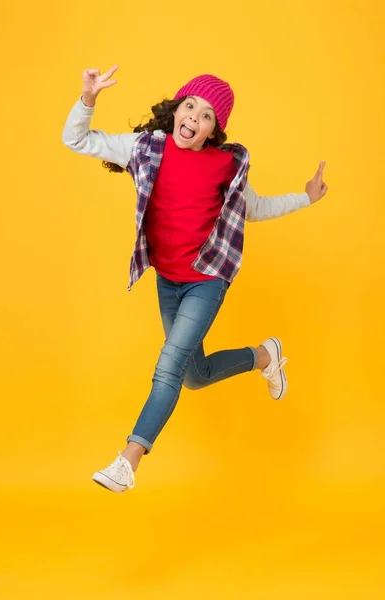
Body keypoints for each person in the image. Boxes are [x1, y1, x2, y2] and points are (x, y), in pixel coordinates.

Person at [62, 64, 328, 494]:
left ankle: (128, 460)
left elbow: (255, 209)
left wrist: (305, 198)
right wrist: (89, 97)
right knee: (195, 375)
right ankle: (265, 356)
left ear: (213, 130)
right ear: (176, 110)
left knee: (168, 368)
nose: (194, 118)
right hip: (168, 280)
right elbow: (76, 139)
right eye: (190, 106)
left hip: (207, 280)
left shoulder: (224, 166)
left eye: (207, 115)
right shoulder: (145, 148)